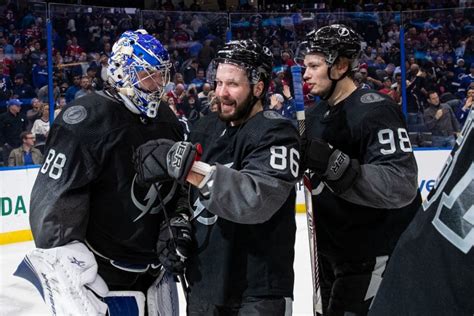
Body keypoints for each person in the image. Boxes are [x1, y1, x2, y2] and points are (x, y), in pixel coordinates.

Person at [22, 30, 185, 315]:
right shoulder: (85, 119)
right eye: (148, 74)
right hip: (103, 279)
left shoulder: (166, 118)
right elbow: (53, 203)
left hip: (156, 276)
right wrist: (67, 265)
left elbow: (176, 188)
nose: (158, 84)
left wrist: (176, 224)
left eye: (161, 75)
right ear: (123, 72)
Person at [134, 39, 301, 315]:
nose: (221, 92)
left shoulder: (276, 134)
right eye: (219, 82)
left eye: (233, 84)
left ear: (258, 88)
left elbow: (254, 198)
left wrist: (189, 169)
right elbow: (183, 195)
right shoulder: (205, 127)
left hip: (257, 293)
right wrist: (177, 221)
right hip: (204, 287)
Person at [299, 24, 421, 316]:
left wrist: (335, 166)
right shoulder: (315, 117)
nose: (305, 74)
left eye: (314, 66)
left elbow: (401, 182)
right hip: (334, 257)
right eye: (305, 66)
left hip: (373, 255)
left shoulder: (376, 110)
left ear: (341, 66)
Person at [0, 98, 26, 165]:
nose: (20, 107)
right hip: (8, 145)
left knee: (21, 162)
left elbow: (24, 129)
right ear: (11, 106)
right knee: (8, 163)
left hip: (20, 144)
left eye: (20, 106)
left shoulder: (21, 116)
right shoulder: (3, 117)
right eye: (17, 106)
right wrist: (4, 143)